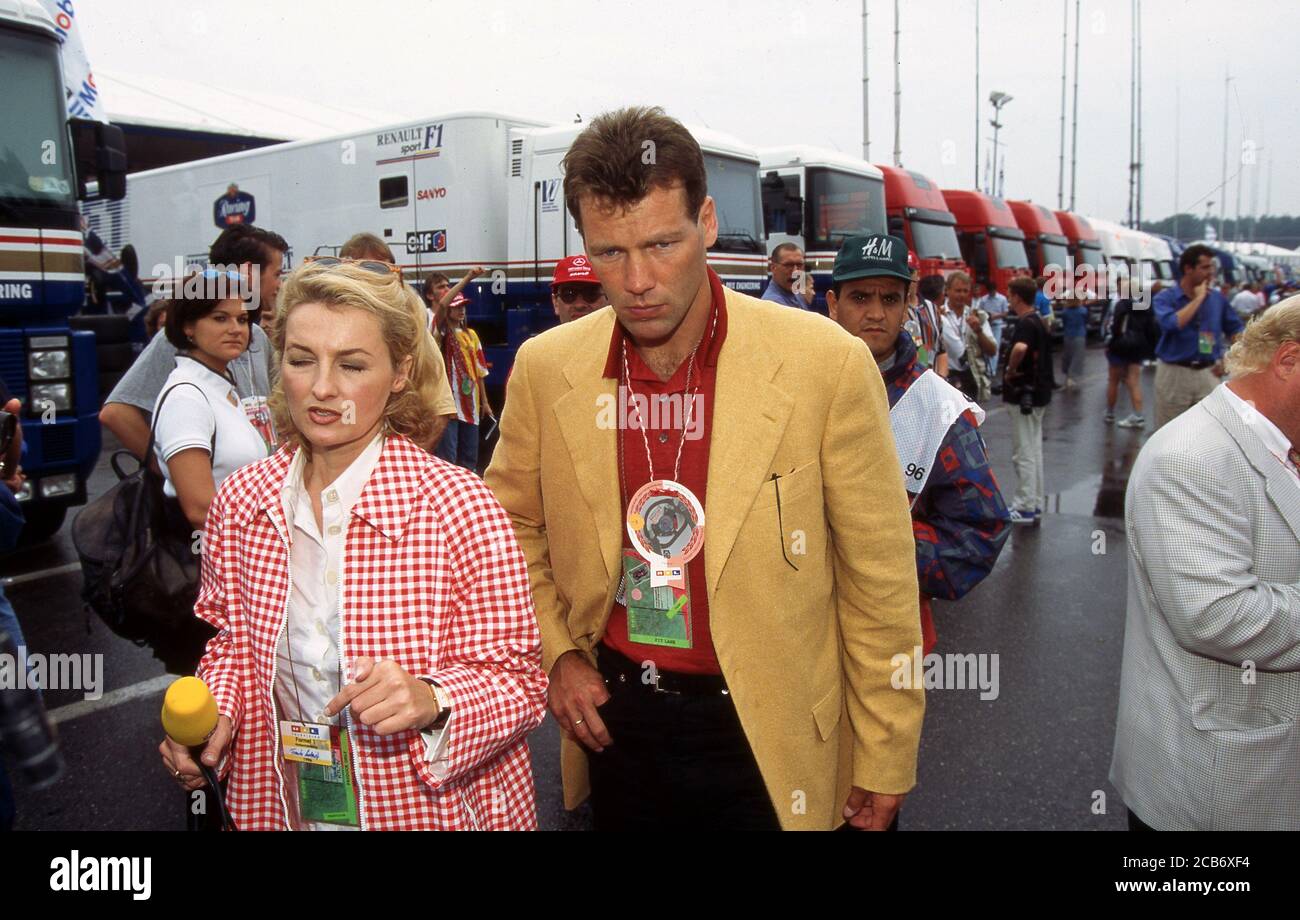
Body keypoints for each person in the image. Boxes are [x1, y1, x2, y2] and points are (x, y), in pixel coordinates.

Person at [485, 106, 923, 832]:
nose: (639, 280)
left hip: (774, 733)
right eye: (610, 254)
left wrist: (887, 752)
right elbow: (508, 530)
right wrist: (558, 653)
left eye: (662, 243)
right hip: (619, 727)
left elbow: (879, 578)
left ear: (708, 222)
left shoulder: (826, 365)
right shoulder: (546, 367)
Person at [158, 259, 548, 830]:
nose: (322, 388)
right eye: (300, 359)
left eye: (352, 364)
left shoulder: (458, 506)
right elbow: (232, 645)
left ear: (399, 371)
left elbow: (519, 682)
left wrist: (433, 698)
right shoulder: (242, 502)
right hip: (286, 806)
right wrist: (216, 713)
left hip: (426, 812)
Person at [1110, 296, 1300, 831]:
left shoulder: (1278, 444)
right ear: (1287, 360)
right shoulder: (1190, 458)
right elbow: (1217, 616)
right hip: (1218, 789)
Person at [827, 234, 1009, 657]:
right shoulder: (794, 386)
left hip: (889, 642)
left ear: (907, 304)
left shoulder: (939, 408)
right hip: (799, 638)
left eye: (890, 299)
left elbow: (981, 534)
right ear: (833, 304)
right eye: (860, 297)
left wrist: (873, 550)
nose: (875, 313)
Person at [100, 224, 288, 463]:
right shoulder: (177, 339)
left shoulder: (257, 335)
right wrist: (169, 470)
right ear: (249, 271)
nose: (279, 284)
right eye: (277, 274)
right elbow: (116, 413)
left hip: (258, 491)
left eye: (240, 320)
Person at [332, 238, 456, 447]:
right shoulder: (324, 332)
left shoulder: (416, 336)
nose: (369, 282)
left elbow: (439, 410)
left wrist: (401, 468)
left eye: (380, 271)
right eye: (359, 272)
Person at [1152, 244, 1245, 429]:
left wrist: (1231, 360)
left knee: (1209, 431)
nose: (1210, 273)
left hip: (1208, 373)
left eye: (1212, 267)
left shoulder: (1217, 299)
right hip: (1174, 373)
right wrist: (1198, 299)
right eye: (1205, 267)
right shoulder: (1165, 298)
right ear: (1188, 268)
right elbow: (1172, 324)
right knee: (1170, 432)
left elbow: (1237, 331)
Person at [1002, 276, 1054, 525]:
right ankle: (1034, 502)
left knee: (1023, 452)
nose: (1008, 299)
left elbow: (1020, 348)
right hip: (1040, 393)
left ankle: (1024, 505)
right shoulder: (1040, 321)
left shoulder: (1025, 324)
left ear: (1017, 297)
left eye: (1010, 294)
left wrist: (1011, 370)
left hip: (1025, 393)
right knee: (1034, 450)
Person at [434, 291, 494, 471]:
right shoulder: (441, 334)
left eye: (463, 306)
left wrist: (485, 402)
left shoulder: (472, 335)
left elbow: (480, 371)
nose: (461, 310)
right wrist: (469, 277)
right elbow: (441, 308)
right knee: (448, 457)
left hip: (470, 404)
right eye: (457, 307)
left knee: (470, 456)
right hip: (450, 402)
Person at [1103, 284, 1158, 428]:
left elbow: (1114, 326)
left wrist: (1110, 341)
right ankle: (1138, 416)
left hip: (1120, 345)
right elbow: (1150, 327)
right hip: (1138, 346)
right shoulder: (1144, 305)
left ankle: (1110, 413)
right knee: (1134, 381)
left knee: (1113, 380)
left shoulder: (1120, 304)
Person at [939, 271, 997, 402]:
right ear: (947, 290)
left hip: (971, 377)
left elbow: (992, 351)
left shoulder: (978, 316)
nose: (962, 295)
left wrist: (979, 331)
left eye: (965, 291)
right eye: (958, 291)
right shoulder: (937, 315)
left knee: (971, 421)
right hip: (946, 377)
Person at [551, 254, 608, 323]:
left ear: (609, 300)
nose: (579, 305)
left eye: (590, 294)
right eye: (569, 295)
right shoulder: (546, 334)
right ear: (555, 303)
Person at [916, 273, 950, 379]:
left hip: (934, 382)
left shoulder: (932, 309)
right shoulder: (898, 312)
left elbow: (941, 349)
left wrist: (940, 380)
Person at [761, 243, 814, 309]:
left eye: (799, 265)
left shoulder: (796, 294)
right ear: (773, 268)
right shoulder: (773, 304)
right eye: (788, 265)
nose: (795, 271)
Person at [975, 280, 1009, 378]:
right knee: (986, 347)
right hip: (986, 326)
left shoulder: (1002, 299)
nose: (991, 293)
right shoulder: (983, 300)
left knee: (995, 347)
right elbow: (979, 312)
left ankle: (991, 370)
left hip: (997, 325)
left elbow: (1006, 312)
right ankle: (987, 368)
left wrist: (995, 316)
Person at [1057, 296, 1089, 389]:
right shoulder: (1083, 310)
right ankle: (1071, 376)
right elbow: (1086, 321)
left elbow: (1064, 322)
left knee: (1068, 355)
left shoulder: (1065, 311)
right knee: (1077, 356)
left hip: (1068, 334)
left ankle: (1067, 374)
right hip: (1080, 334)